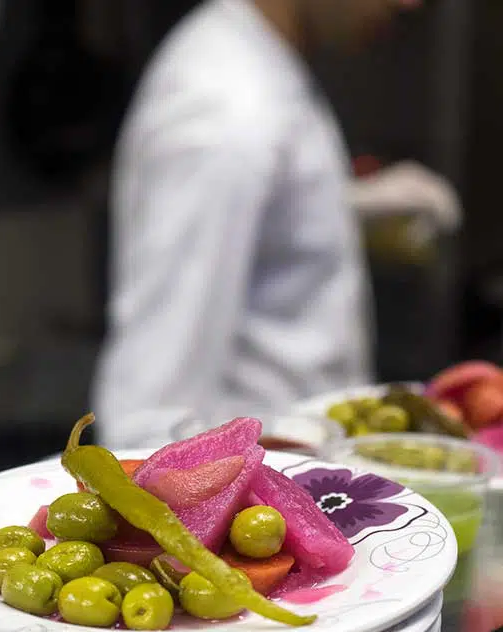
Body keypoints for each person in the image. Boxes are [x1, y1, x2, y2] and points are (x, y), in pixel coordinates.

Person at [93, 0, 461, 447]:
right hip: (260, 484)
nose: (411, 4)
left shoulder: (260, 60)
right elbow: (150, 405)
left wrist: (346, 206)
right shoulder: (225, 107)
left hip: (302, 462)